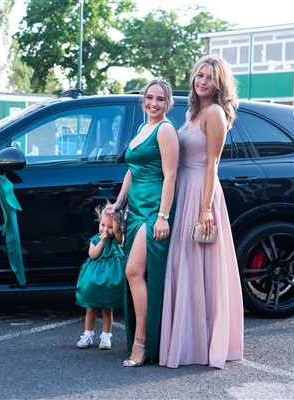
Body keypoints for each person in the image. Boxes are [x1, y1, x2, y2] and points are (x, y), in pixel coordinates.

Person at [159, 54, 244, 369]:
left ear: (219, 84)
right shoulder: (192, 113)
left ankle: (200, 343)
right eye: (199, 75)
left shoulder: (215, 113)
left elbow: (212, 164)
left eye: (210, 77)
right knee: (184, 266)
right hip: (184, 190)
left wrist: (205, 209)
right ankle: (187, 339)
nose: (203, 81)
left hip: (200, 193)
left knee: (198, 266)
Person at [108, 79, 179, 367]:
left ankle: (142, 343)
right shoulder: (143, 128)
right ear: (143, 100)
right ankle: (143, 339)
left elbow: (171, 175)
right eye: (150, 97)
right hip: (136, 209)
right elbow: (132, 170)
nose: (154, 103)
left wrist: (163, 216)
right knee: (136, 274)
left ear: (168, 103)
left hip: (153, 210)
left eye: (160, 99)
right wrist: (119, 202)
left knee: (133, 271)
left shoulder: (166, 130)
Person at [75, 201, 125, 350]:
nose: (105, 230)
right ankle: (87, 335)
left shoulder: (117, 240)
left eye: (110, 227)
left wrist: (116, 218)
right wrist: (102, 241)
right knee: (90, 308)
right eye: (103, 225)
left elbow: (119, 235)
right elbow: (93, 254)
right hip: (93, 279)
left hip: (109, 280)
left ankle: (106, 337)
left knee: (107, 310)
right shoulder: (96, 239)